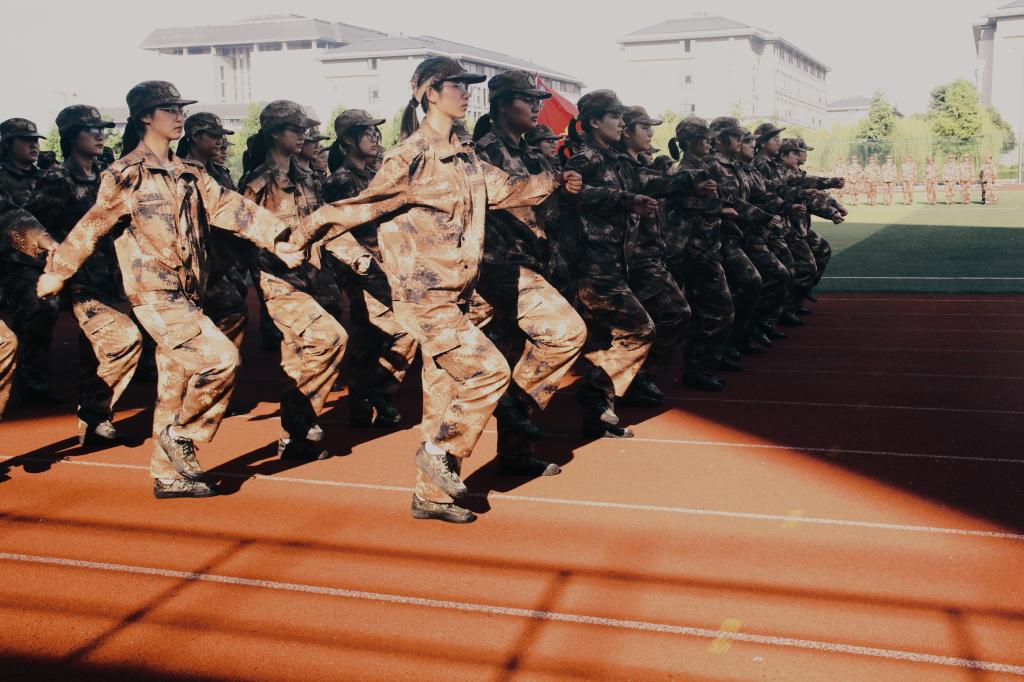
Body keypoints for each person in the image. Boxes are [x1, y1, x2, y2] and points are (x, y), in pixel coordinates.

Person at [292, 56, 583, 523]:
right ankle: (438, 453)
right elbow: (357, 207)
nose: (466, 93)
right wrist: (297, 237)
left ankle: (431, 495)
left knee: (444, 391)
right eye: (456, 85)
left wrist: (554, 180)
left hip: (459, 292)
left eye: (468, 86)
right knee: (488, 370)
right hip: (425, 297)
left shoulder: (464, 154)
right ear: (429, 93)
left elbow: (507, 189)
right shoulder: (411, 156)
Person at [36, 80, 301, 500]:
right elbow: (93, 225)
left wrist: (277, 238)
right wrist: (58, 271)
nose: (180, 116)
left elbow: (231, 207)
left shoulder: (189, 173)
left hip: (189, 292)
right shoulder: (126, 174)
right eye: (170, 109)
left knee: (174, 388)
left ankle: (168, 475)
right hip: (155, 293)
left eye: (181, 109)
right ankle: (184, 434)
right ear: (145, 116)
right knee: (220, 359)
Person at [470, 70, 588, 474]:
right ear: (503, 105)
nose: (537, 107)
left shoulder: (531, 154)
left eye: (538, 100)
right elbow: (506, 196)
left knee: (518, 352)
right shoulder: (483, 152)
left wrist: (569, 186)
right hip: (497, 266)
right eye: (527, 99)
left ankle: (515, 453)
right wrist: (553, 181)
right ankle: (510, 400)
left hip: (531, 263)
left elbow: (551, 202)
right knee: (565, 334)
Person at [24, 105, 142, 445]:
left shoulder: (107, 174)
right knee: (122, 340)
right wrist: (56, 264)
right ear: (72, 136)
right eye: (92, 130)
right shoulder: (57, 179)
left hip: (113, 277)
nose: (100, 136)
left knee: (95, 352)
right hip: (79, 282)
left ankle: (94, 422)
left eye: (102, 129)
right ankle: (94, 412)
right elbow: (34, 226)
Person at [238, 100, 348, 462]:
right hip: (279, 280)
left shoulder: (307, 176)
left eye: (305, 129)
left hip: (314, 275)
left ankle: (297, 438)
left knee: (301, 355)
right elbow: (242, 230)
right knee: (329, 338)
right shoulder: (257, 182)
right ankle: (299, 418)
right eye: (296, 129)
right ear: (275, 133)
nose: (304, 135)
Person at [321, 108, 416, 428]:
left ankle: (362, 403)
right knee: (402, 330)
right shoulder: (341, 181)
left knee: (367, 339)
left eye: (376, 132)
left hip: (385, 266)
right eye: (368, 133)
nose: (375, 138)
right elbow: (337, 230)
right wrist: (360, 266)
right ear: (348, 140)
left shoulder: (371, 177)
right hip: (362, 271)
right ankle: (380, 392)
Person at [665, 117, 735, 387]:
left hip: (705, 248)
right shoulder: (684, 171)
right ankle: (700, 368)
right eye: (704, 138)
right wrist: (718, 207)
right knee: (720, 309)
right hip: (695, 250)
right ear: (688, 142)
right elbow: (677, 203)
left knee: (703, 311)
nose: (709, 141)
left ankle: (700, 366)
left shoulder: (702, 166)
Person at [0, 117, 61, 404]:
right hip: (11, 265)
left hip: (47, 260)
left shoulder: (46, 178)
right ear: (7, 144)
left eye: (36, 140)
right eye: (26, 140)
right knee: (41, 304)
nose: (34, 145)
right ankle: (32, 381)